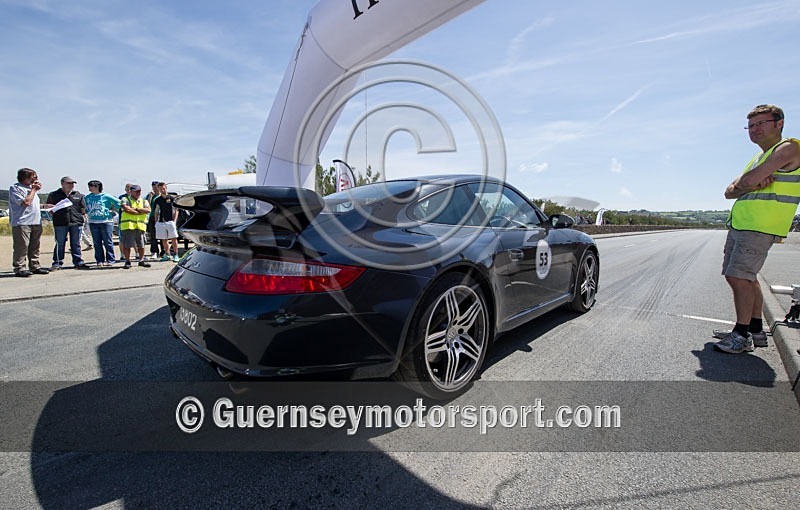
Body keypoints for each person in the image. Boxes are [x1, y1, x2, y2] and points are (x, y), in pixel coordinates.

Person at [714, 104, 800, 353]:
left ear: (779, 123)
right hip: (745, 225)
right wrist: (745, 184)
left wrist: (746, 184)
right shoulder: (760, 157)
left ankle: (741, 337)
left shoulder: (790, 147)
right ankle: (755, 329)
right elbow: (729, 191)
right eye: (751, 125)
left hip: (760, 226)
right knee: (745, 278)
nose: (755, 129)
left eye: (761, 123)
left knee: (739, 277)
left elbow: (746, 182)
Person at [8, 168, 49, 277]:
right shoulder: (15, 188)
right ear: (25, 177)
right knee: (22, 246)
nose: (36, 179)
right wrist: (34, 190)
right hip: (22, 222)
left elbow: (33, 204)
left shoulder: (31, 189)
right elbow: (26, 202)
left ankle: (34, 266)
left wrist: (45, 206)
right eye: (34, 177)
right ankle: (19, 267)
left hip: (36, 221)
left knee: (35, 246)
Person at [46, 176, 89, 270]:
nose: (71, 185)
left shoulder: (79, 195)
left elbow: (83, 209)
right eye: (69, 183)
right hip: (60, 222)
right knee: (60, 243)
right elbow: (49, 209)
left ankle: (78, 262)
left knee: (76, 243)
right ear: (62, 183)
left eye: (73, 183)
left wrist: (83, 218)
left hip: (76, 222)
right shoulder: (54, 195)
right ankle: (57, 263)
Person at [84, 180, 121, 266]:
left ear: (97, 187)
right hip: (93, 221)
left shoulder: (106, 196)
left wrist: (113, 211)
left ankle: (110, 260)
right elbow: (83, 207)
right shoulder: (87, 197)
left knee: (108, 241)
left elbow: (118, 203)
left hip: (106, 221)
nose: (89, 188)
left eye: (91, 186)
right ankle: (99, 260)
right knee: (97, 242)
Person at [118, 184, 152, 269]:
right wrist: (140, 211)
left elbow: (148, 210)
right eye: (136, 191)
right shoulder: (125, 199)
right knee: (127, 245)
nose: (138, 193)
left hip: (140, 226)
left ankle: (141, 260)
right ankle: (127, 261)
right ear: (131, 191)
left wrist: (136, 209)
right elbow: (127, 209)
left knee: (141, 245)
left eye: (139, 191)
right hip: (128, 226)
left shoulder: (144, 201)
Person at [152, 182, 181, 262]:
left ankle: (176, 254)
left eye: (163, 188)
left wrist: (174, 221)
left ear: (166, 188)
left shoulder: (172, 198)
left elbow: (176, 210)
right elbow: (156, 211)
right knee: (164, 239)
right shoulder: (158, 200)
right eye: (161, 189)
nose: (162, 190)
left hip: (170, 221)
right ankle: (167, 254)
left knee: (174, 238)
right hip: (161, 222)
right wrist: (156, 222)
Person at [145, 180, 162, 260]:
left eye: (156, 187)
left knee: (163, 236)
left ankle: (164, 251)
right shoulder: (151, 196)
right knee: (153, 235)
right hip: (152, 216)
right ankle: (154, 251)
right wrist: (150, 197)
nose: (155, 189)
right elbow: (147, 205)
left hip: (161, 217)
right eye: (153, 187)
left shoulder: (162, 196)